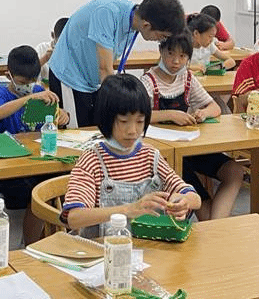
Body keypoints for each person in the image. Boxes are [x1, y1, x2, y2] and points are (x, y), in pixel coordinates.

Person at [61, 74, 201, 237]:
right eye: (123, 121)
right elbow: (73, 217)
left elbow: (195, 199)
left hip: (148, 248)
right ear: (106, 119)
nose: (133, 131)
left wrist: (183, 202)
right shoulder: (92, 161)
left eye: (140, 122)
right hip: (104, 248)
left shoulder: (150, 156)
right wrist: (129, 209)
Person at [140, 33, 244, 220]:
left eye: (182, 56)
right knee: (200, 205)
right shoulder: (148, 81)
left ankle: (216, 225)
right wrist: (170, 114)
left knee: (234, 170)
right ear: (161, 51)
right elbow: (137, 116)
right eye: (171, 54)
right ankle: (215, 225)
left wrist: (203, 113)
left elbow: (214, 107)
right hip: (163, 156)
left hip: (188, 146)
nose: (176, 61)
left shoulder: (186, 78)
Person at [48, 0, 186, 128]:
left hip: (92, 81)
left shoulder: (134, 21)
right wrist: (120, 105)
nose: (160, 40)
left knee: (96, 131)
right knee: (76, 134)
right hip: (69, 77)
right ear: (146, 25)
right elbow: (104, 68)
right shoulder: (107, 13)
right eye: (162, 36)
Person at [0, 45, 70, 244]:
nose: (27, 86)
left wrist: (62, 115)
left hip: (38, 160)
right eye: (22, 83)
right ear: (8, 75)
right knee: (35, 192)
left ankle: (52, 239)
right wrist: (29, 98)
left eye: (31, 82)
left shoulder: (39, 91)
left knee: (62, 181)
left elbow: (56, 115)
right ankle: (30, 244)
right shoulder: (2, 94)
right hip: (10, 167)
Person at [35, 17, 68, 83]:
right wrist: (45, 58)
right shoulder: (42, 48)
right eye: (60, 43)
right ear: (53, 35)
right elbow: (28, 73)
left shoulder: (79, 52)